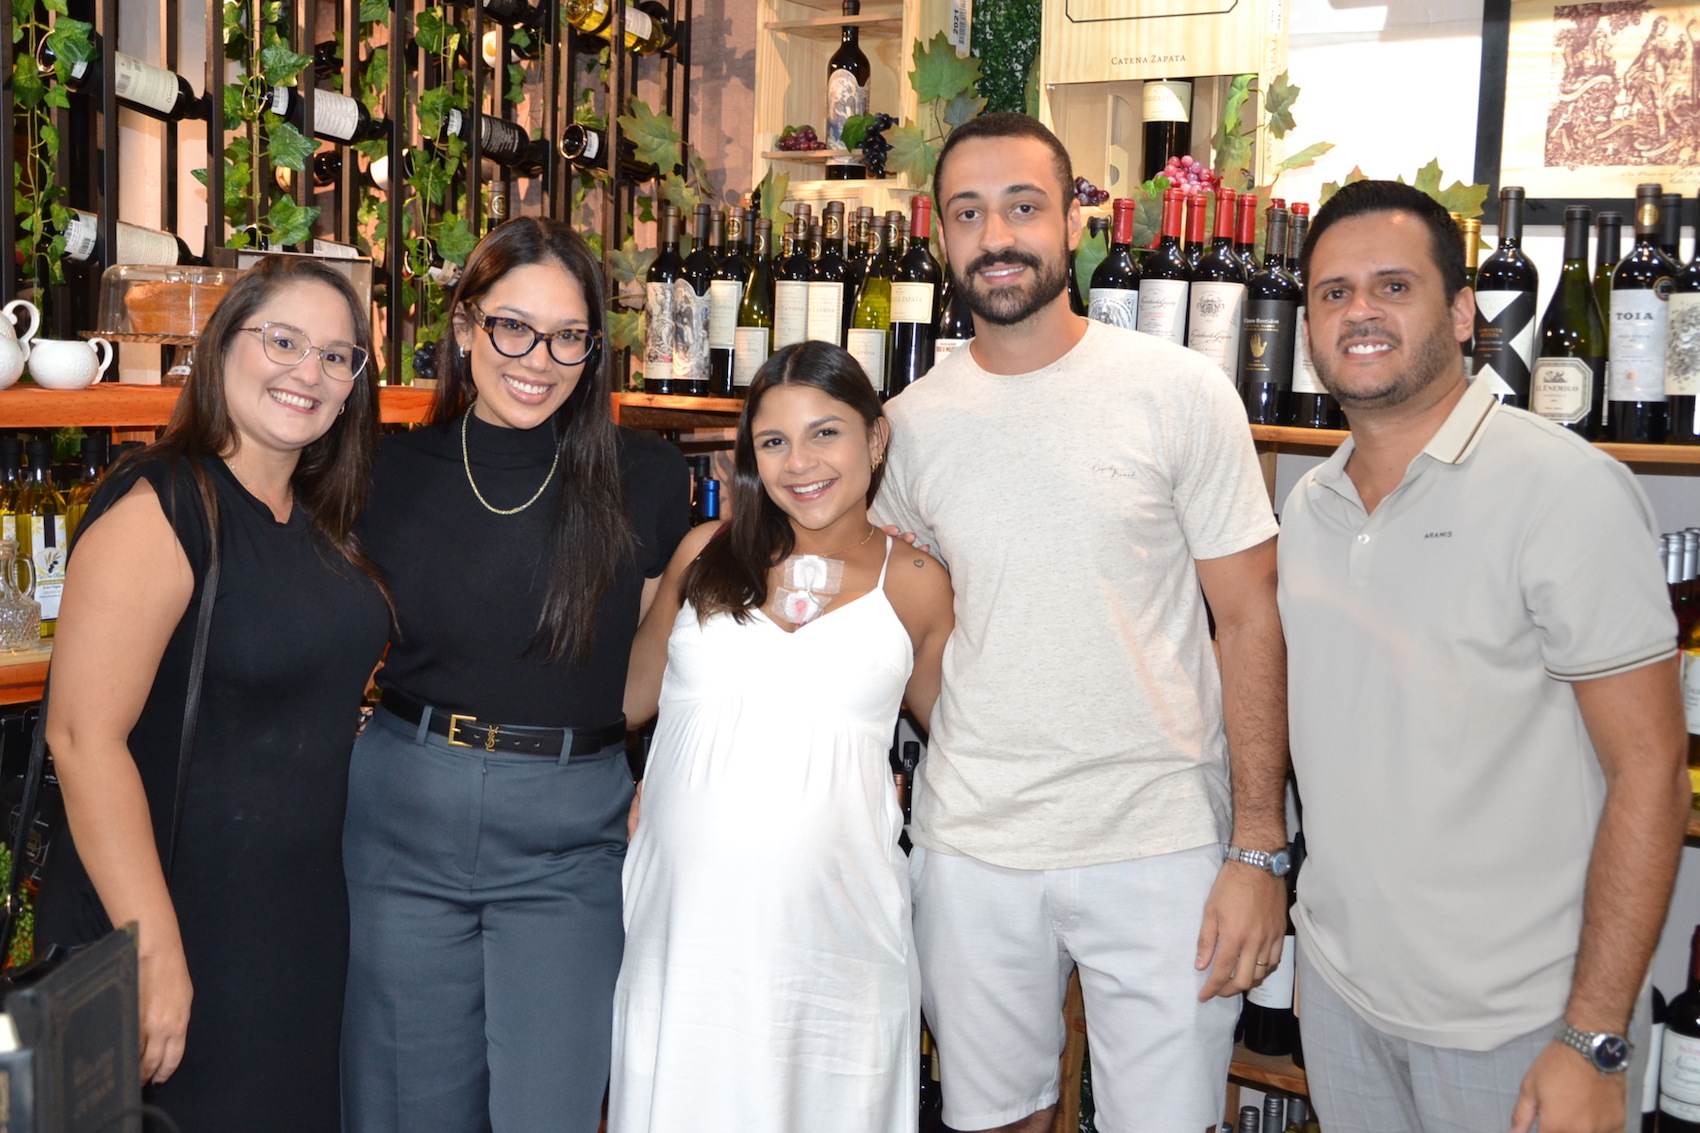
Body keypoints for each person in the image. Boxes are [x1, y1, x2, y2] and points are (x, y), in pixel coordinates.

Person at [873, 112, 1289, 1133]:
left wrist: (1257, 850)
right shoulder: (911, 425)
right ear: (940, 233)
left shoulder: (1178, 391)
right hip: (971, 843)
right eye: (968, 212)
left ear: (1073, 221)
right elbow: (904, 624)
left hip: (1158, 841)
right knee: (994, 1119)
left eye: (1023, 206)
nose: (996, 235)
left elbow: (1249, 622)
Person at [1277, 179, 1688, 1133]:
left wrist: (1594, 1035)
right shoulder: (1309, 507)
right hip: (1342, 997)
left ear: (1464, 314)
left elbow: (1653, 773)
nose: (1360, 312)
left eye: (1394, 286)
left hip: (1520, 1028)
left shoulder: (1563, 491)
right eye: (1334, 293)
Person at [342, 217, 690, 1133]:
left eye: (569, 336)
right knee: (404, 1108)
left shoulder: (645, 476)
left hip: (570, 832)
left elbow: (652, 671)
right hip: (405, 814)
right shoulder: (383, 468)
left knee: (551, 1109)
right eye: (512, 327)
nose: (539, 359)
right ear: (464, 325)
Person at [41, 257, 390, 1131]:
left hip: (299, 933)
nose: (308, 371)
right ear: (222, 344)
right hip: (182, 924)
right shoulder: (162, 505)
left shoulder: (320, 521)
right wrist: (153, 952)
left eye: (336, 356)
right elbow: (82, 737)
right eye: (283, 341)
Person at [609, 340, 953, 1133]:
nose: (800, 462)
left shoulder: (916, 583)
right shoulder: (704, 554)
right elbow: (623, 702)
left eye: (825, 432)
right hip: (689, 928)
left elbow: (967, 744)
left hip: (836, 933)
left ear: (875, 437)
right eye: (774, 440)